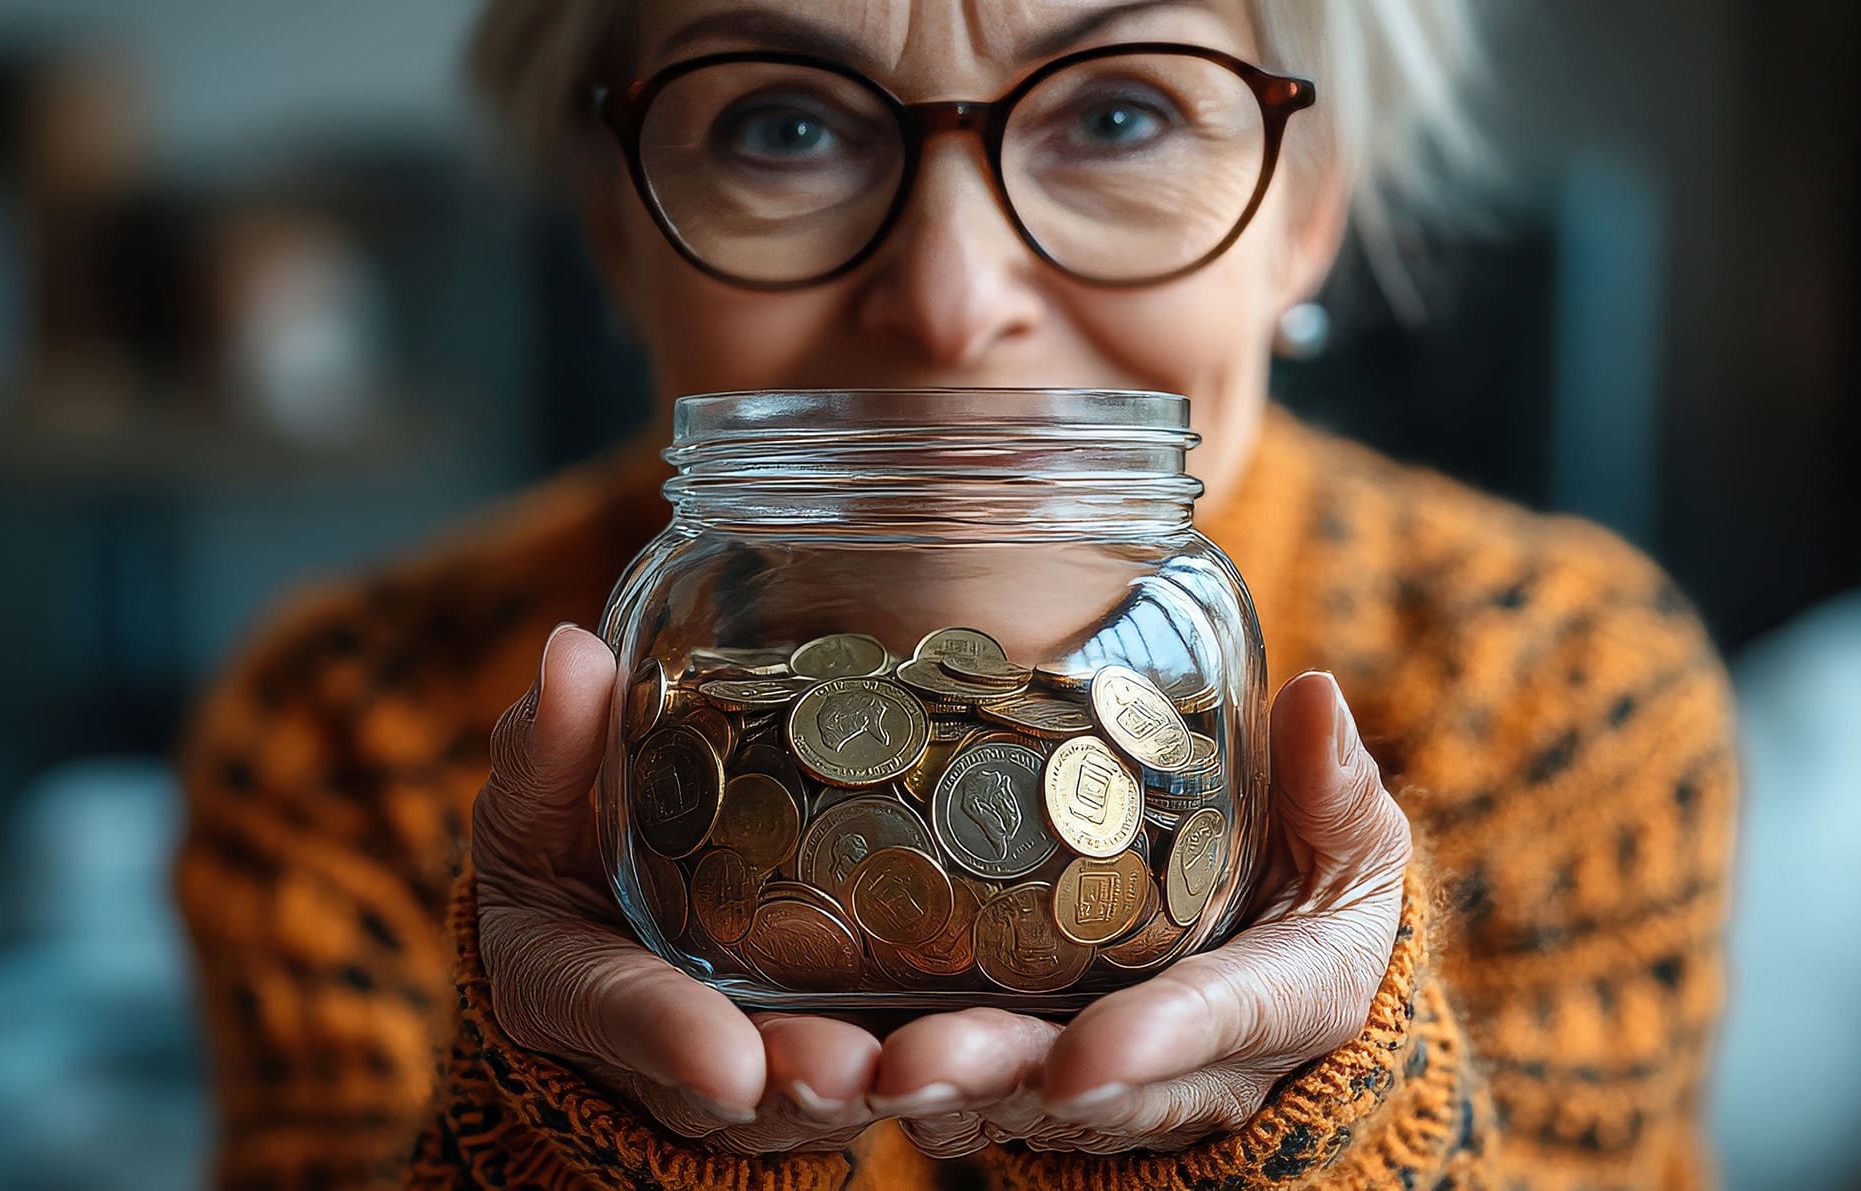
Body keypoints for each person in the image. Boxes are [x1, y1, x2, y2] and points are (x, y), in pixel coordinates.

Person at [176, 1, 1740, 1187]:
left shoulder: (1556, 689)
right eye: (783, 127)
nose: (946, 298)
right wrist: (566, 1143)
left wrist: (1310, 1146)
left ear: (1306, 212)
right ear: (612, 228)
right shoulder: (352, 720)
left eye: (1120, 115)